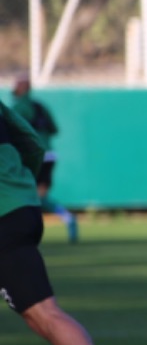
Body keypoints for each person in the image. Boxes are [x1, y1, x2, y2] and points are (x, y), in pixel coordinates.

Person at [0, 92, 142, 345]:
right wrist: (19, 188)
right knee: (38, 315)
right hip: (23, 209)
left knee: (44, 313)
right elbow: (31, 143)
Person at [12, 75, 78, 243]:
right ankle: (68, 218)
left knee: (24, 194)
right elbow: (54, 129)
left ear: (22, 87)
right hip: (50, 155)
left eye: (17, 84)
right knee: (38, 196)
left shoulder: (19, 107)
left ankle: (22, 231)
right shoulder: (40, 106)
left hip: (34, 156)